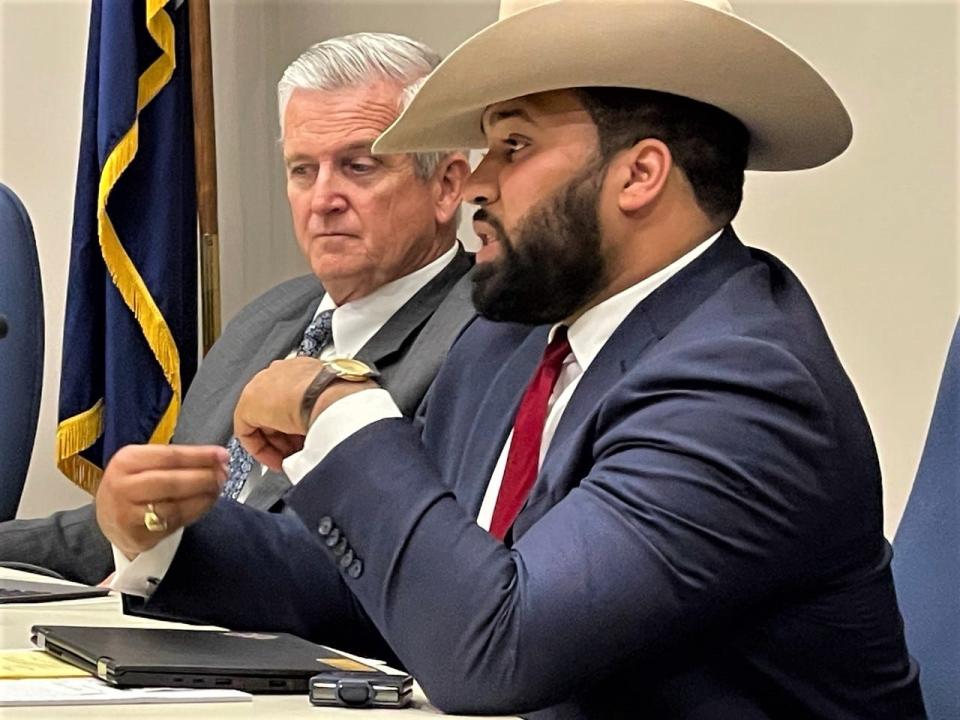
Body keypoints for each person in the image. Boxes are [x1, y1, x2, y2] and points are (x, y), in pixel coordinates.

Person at [95, 1, 926, 718]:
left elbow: (499, 650)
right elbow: (402, 584)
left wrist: (334, 399)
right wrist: (170, 540)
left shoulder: (745, 384)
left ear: (640, 174)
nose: (479, 181)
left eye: (515, 145)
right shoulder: (511, 341)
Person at [0, 32, 473, 587]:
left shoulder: (480, 342)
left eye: (359, 166)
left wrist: (162, 545)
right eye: (302, 170)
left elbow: (372, 566)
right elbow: (136, 518)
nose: (322, 199)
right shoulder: (268, 317)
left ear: (447, 186)